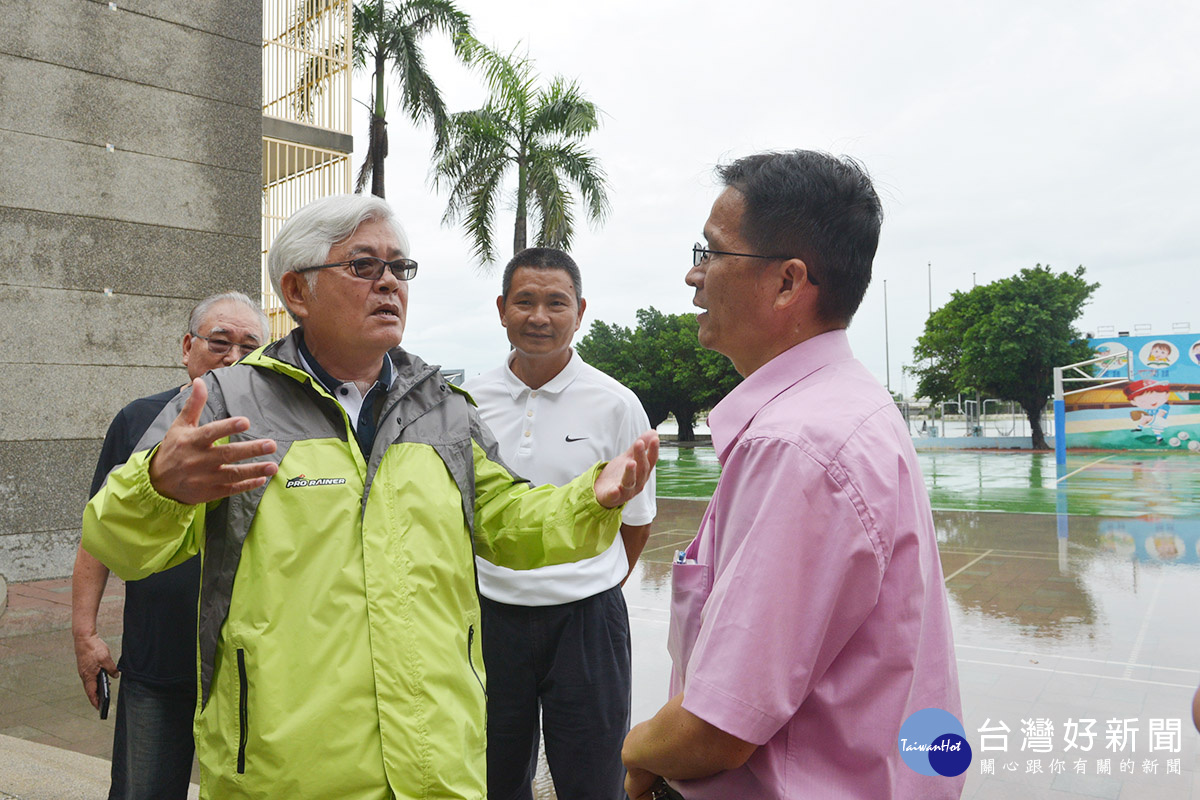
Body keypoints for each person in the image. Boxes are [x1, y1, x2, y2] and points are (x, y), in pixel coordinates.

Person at [82, 193, 657, 800]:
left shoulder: (442, 406)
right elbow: (119, 542)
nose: (389, 283)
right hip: (289, 769)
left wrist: (587, 499)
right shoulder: (229, 402)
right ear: (297, 292)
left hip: (436, 766)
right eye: (363, 266)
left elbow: (506, 521)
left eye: (399, 267)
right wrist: (159, 489)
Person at [621, 151, 963, 799]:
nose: (694, 276)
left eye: (713, 253)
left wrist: (635, 752)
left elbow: (716, 729)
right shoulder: (847, 406)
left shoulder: (798, 445)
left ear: (787, 282)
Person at [466, 248, 656, 800]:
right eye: (524, 301)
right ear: (502, 309)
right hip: (490, 615)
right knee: (493, 777)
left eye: (556, 302)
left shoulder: (616, 403)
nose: (539, 316)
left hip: (586, 623)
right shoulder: (469, 403)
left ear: (581, 311)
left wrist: (588, 584)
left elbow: (636, 524)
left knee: (593, 778)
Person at [72, 292, 269, 800]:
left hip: (248, 671)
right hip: (157, 663)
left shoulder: (277, 434)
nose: (234, 357)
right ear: (187, 346)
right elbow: (99, 536)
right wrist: (85, 633)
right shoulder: (138, 420)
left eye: (250, 346)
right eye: (220, 342)